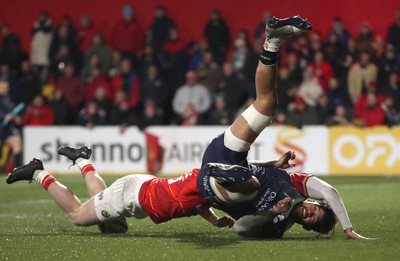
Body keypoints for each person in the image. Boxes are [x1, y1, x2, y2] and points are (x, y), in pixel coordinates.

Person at [194, 16, 369, 240]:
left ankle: (224, 175)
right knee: (266, 105)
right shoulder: (292, 184)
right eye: (316, 208)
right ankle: (273, 40)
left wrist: (271, 213)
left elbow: (241, 229)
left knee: (250, 185)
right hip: (225, 157)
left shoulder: (276, 228)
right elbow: (329, 192)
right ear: (314, 202)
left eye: (311, 219)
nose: (309, 212)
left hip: (217, 188)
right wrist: (348, 228)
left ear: (306, 227)